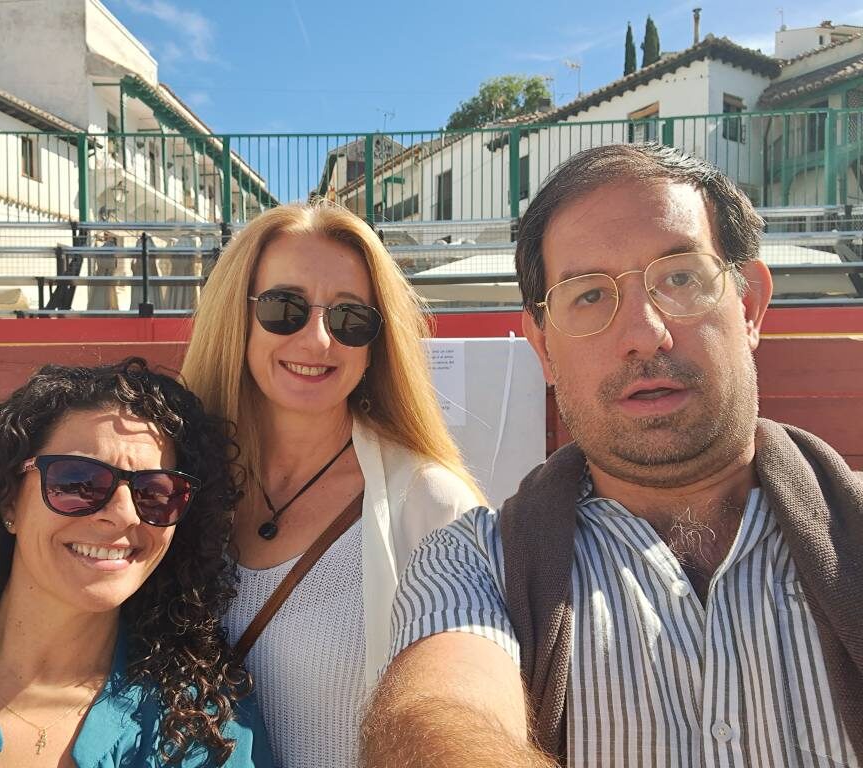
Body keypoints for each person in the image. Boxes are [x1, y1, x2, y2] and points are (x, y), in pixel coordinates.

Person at [363, 143, 863, 767]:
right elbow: (434, 721)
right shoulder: (476, 563)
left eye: (680, 278)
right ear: (543, 347)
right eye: (590, 295)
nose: (644, 335)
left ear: (749, 305)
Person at [0, 358, 273, 767]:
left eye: (157, 493)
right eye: (79, 481)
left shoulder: (209, 728)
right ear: (9, 500)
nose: (124, 514)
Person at [181, 201, 483, 768]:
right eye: (284, 308)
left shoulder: (431, 504)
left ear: (374, 345)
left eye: (350, 319)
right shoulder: (171, 484)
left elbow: (471, 712)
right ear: (236, 317)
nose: (318, 340)